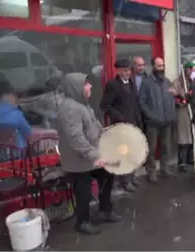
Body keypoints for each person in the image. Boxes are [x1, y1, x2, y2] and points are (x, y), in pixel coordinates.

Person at [57, 73, 121, 235]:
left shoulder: (83, 105)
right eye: (86, 84)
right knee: (83, 192)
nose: (90, 86)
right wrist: (97, 156)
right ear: (76, 87)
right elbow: (76, 140)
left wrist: (105, 131)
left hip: (91, 156)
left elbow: (93, 125)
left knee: (108, 174)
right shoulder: (70, 109)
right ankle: (82, 222)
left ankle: (105, 210)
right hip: (78, 161)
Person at [100, 59, 143, 193]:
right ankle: (124, 180)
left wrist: (138, 120)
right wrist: (118, 116)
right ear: (118, 70)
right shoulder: (113, 85)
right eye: (125, 70)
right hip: (121, 125)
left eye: (129, 70)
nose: (127, 73)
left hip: (134, 123)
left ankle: (131, 177)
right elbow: (104, 105)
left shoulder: (131, 83)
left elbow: (134, 103)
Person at [139, 57, 177, 183]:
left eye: (162, 65)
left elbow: (172, 97)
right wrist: (150, 115)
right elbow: (142, 102)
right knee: (152, 148)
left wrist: (171, 113)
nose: (161, 68)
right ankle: (151, 172)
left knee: (166, 147)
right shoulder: (146, 83)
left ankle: (164, 169)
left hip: (166, 121)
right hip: (153, 122)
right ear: (153, 67)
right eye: (159, 66)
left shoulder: (167, 82)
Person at [0, 77, 31, 149]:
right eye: (14, 94)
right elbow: (28, 133)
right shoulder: (17, 115)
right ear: (4, 96)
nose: (16, 98)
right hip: (18, 156)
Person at [172, 61, 195, 172]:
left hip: (192, 110)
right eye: (189, 69)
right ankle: (181, 162)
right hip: (182, 111)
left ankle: (190, 158)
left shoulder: (194, 82)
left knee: (192, 135)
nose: (191, 71)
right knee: (183, 136)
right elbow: (174, 97)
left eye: (192, 69)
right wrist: (182, 99)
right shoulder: (177, 82)